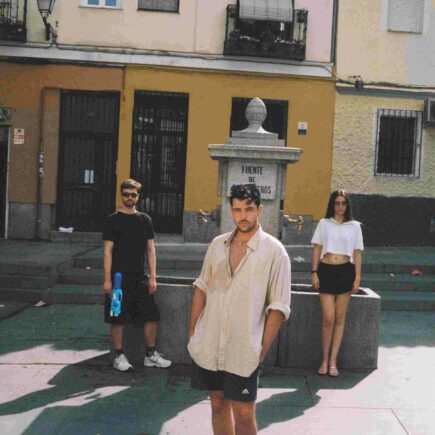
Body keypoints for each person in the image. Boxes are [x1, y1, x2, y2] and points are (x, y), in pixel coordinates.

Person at [188, 184, 291, 435]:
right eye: (237, 209)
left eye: (249, 209)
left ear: (260, 210)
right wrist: (193, 334)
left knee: (244, 415)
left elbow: (278, 307)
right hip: (210, 342)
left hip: (244, 349)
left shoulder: (275, 251)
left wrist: (260, 351)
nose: (242, 216)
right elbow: (202, 287)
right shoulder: (217, 245)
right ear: (231, 211)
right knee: (217, 405)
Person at [102, 178, 171, 372]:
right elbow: (107, 251)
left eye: (133, 195)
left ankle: (150, 355)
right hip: (118, 278)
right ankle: (118, 356)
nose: (129, 198)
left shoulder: (144, 220)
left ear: (138, 197)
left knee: (151, 315)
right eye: (126, 194)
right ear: (121, 195)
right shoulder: (112, 220)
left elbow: (151, 250)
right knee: (118, 317)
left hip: (139, 277)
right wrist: (107, 279)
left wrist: (153, 276)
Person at [311, 189, 364, 378]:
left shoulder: (355, 226)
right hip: (326, 271)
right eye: (337, 203)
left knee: (340, 318)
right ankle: (324, 360)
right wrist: (314, 272)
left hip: (346, 272)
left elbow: (357, 253)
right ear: (332, 204)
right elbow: (317, 248)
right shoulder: (324, 224)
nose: (340, 206)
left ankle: (333, 361)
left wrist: (357, 278)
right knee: (328, 317)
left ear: (347, 205)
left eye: (343, 203)